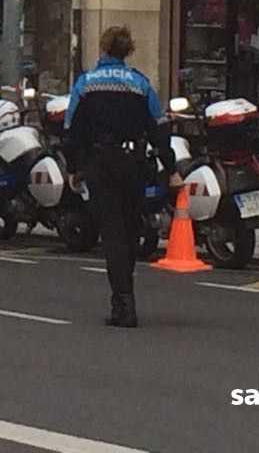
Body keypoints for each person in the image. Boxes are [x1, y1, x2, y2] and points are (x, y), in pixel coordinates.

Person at [62, 26, 181, 329]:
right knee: (129, 231)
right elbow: (159, 130)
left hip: (100, 164)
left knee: (112, 234)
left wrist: (73, 168)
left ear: (103, 48)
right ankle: (125, 296)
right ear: (128, 51)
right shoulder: (140, 83)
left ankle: (123, 303)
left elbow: (71, 130)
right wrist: (172, 169)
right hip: (132, 164)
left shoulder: (86, 83)